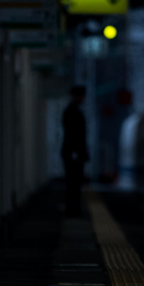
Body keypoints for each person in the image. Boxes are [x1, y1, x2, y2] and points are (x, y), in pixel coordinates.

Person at [62, 85, 89, 217]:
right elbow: (74, 135)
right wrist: (76, 153)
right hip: (73, 154)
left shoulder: (71, 111)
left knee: (73, 183)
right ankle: (73, 210)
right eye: (82, 95)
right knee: (74, 183)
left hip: (72, 153)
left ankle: (73, 209)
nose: (83, 98)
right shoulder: (73, 112)